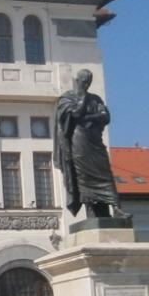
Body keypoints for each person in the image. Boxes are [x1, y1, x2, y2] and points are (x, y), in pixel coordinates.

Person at [53, 68, 124, 218]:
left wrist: (88, 118)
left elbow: (106, 117)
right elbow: (76, 113)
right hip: (79, 143)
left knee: (106, 174)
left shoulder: (96, 99)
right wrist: (84, 99)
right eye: (84, 81)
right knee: (83, 177)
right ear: (77, 81)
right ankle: (91, 210)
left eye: (89, 82)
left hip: (95, 143)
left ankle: (116, 208)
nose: (87, 84)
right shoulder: (67, 98)